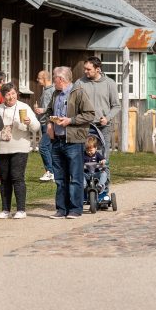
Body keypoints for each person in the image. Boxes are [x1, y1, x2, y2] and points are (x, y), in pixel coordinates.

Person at [45, 66, 95, 218]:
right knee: (60, 178)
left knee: (75, 177)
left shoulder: (78, 92)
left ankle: (75, 209)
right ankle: (61, 209)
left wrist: (70, 120)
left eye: (54, 78)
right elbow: (49, 111)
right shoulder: (55, 94)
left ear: (61, 79)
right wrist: (49, 124)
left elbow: (89, 114)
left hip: (73, 141)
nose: (53, 81)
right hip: (57, 141)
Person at [0, 83, 40, 219]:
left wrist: (29, 122)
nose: (11, 97)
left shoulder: (24, 107)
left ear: (16, 94)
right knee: (4, 179)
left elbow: (36, 127)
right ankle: (5, 209)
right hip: (1, 149)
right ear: (3, 96)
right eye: (7, 94)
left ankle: (21, 210)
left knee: (17, 177)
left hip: (19, 147)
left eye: (13, 93)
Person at [75, 56, 120, 161]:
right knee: (83, 159)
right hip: (84, 126)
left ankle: (105, 178)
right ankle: (86, 177)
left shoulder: (110, 83)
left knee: (104, 160)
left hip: (103, 127)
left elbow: (116, 106)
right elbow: (72, 103)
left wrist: (107, 118)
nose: (85, 71)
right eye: (84, 69)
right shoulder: (79, 83)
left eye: (88, 69)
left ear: (98, 69)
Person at [33, 70, 56, 182]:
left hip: (48, 124)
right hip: (45, 122)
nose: (37, 80)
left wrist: (42, 110)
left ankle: (50, 171)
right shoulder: (47, 90)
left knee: (42, 147)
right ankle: (54, 172)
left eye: (39, 78)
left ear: (45, 78)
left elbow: (51, 108)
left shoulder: (50, 91)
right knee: (50, 149)